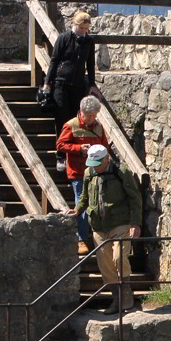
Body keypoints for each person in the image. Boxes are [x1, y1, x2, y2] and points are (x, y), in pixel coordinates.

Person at [71, 144, 142, 315]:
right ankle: (117, 300)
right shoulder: (89, 173)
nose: (94, 166)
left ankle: (126, 297)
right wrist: (77, 209)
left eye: (97, 163)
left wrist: (135, 223)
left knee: (119, 258)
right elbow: (85, 196)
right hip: (98, 226)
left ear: (106, 159)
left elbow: (135, 197)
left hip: (121, 223)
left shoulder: (121, 172)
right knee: (105, 265)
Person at [43, 11, 97, 172]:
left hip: (78, 85)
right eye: (81, 28)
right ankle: (60, 155)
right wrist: (47, 83)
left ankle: (74, 154)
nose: (83, 31)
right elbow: (54, 61)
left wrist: (92, 84)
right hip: (61, 84)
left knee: (76, 120)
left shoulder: (89, 41)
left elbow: (91, 64)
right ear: (74, 25)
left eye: (86, 28)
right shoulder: (64, 38)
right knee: (61, 119)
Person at [56, 95, 108, 255]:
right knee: (82, 204)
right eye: (89, 115)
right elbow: (60, 145)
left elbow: (105, 146)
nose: (92, 119)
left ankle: (98, 237)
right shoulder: (71, 125)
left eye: (94, 115)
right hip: (78, 172)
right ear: (82, 112)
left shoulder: (98, 127)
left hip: (95, 171)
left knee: (98, 203)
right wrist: (79, 149)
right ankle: (81, 239)